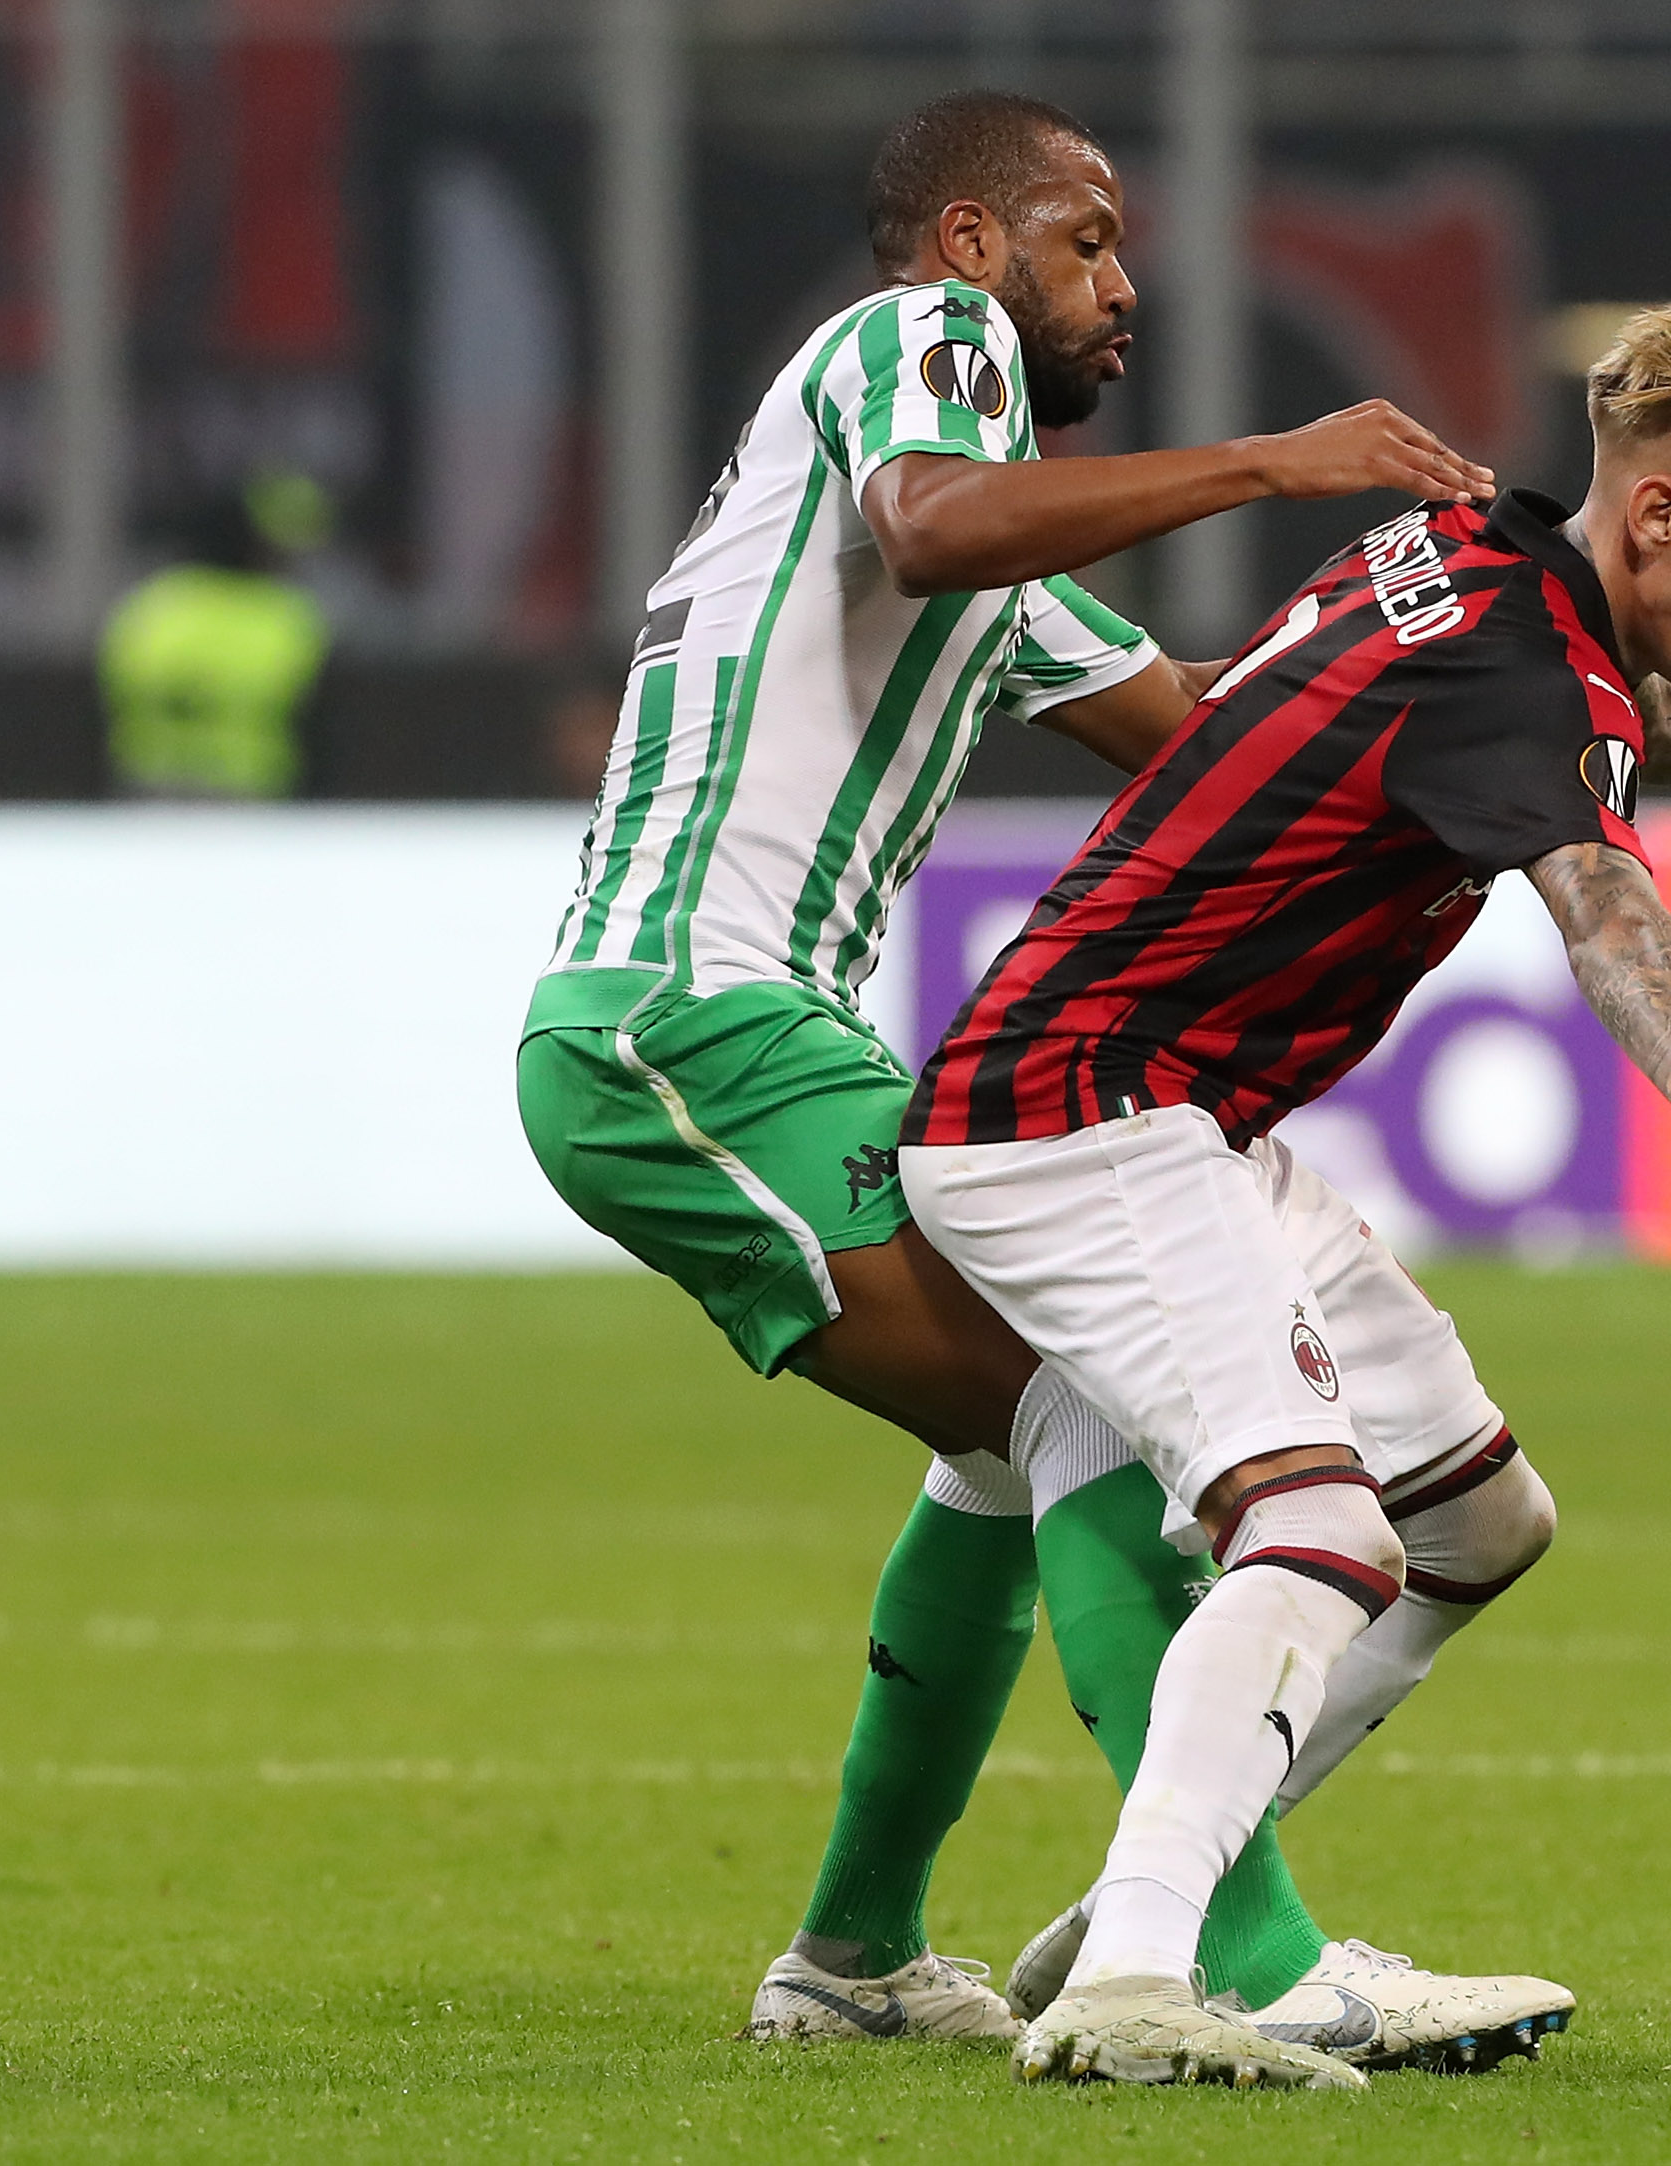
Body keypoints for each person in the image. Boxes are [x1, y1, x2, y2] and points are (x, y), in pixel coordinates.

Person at [897, 269, 1671, 2089]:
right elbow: (1605, 893)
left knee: (1476, 1523)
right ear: (1655, 511)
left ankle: (1134, 1908)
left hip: (1177, 1113)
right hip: (1078, 1111)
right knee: (1323, 1524)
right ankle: (1145, 1985)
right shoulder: (1511, 652)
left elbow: (1658, 721)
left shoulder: (1475, 551)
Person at [516, 89, 1572, 2069]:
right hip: (683, 1022)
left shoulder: (1007, 578)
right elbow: (938, 516)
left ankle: (851, 1958)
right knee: (1086, 1403)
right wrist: (1276, 464)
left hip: (757, 1034)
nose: (1121, 283)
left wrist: (1527, 744)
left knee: (1002, 1451)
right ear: (971, 249)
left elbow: (1230, 770)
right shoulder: (912, 358)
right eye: (1085, 240)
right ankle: (1240, 1962)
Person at [99, 469, 334, 799]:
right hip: (251, 790)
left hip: (151, 787)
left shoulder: (151, 605)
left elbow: (108, 700)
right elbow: (322, 720)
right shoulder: (286, 618)